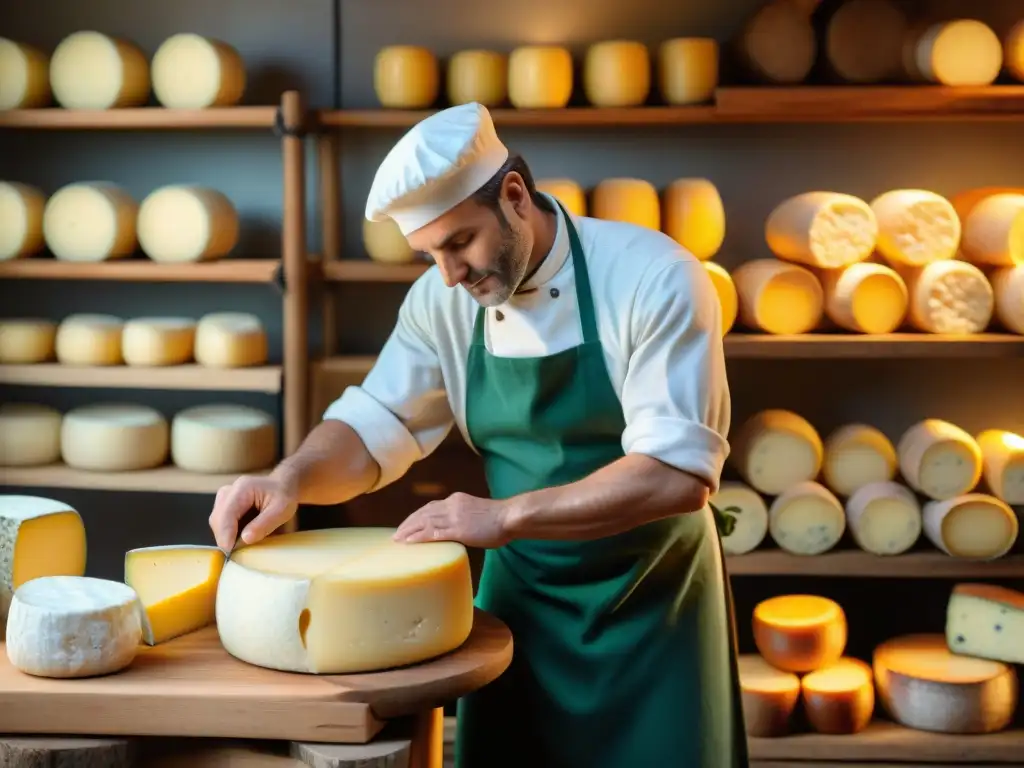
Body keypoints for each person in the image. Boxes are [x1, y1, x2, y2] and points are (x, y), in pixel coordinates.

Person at [208, 102, 748, 768]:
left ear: (515, 196)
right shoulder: (443, 302)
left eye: (460, 242)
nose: (449, 274)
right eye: (430, 253)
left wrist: (503, 516)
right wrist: (288, 478)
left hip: (655, 602)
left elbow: (674, 476)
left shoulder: (653, 276)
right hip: (520, 606)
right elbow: (375, 424)